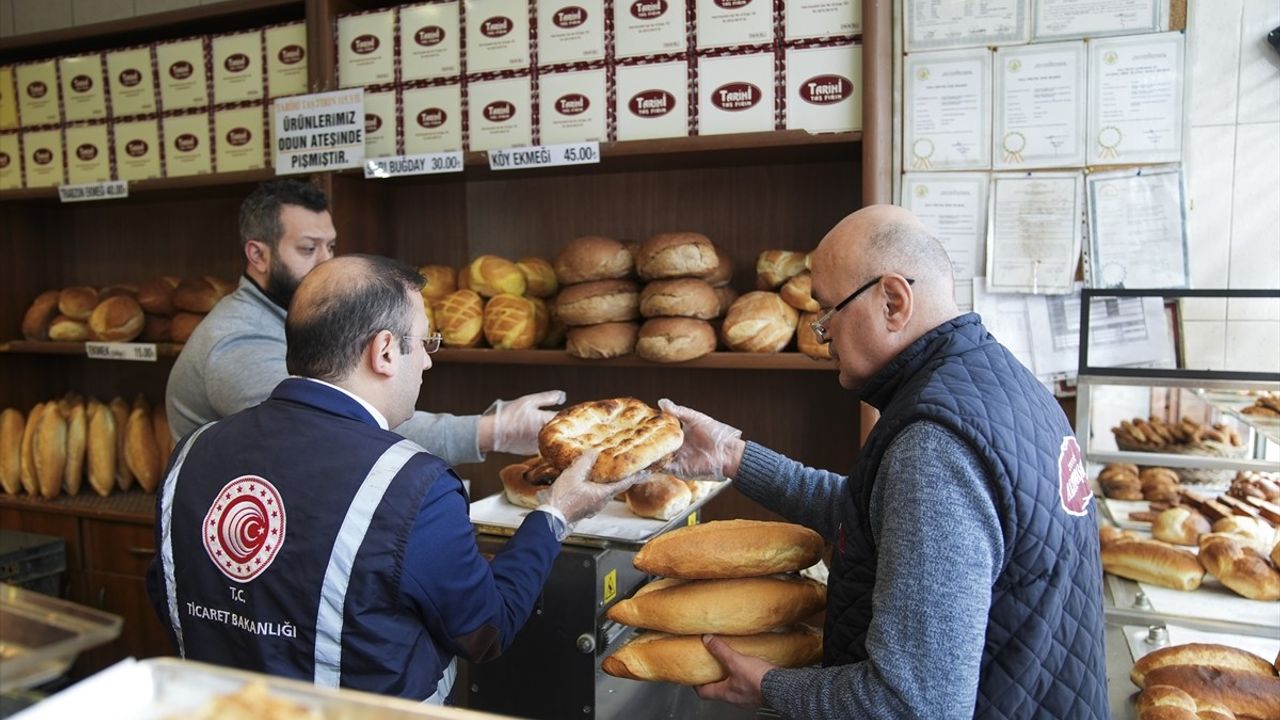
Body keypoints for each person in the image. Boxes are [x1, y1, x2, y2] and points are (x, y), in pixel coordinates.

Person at [660, 205, 1108, 718]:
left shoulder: (935, 445)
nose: (821, 337)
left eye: (828, 313)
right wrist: (730, 455)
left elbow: (914, 705)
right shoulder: (1002, 382)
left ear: (892, 301)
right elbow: (885, 515)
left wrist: (770, 687)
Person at [146, 255, 642, 702]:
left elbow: (169, 588)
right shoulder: (412, 484)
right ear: (384, 351)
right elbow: (486, 629)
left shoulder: (192, 451)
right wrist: (556, 513)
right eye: (424, 342)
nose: (427, 360)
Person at [165, 179, 554, 464]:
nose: (326, 262)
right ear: (258, 255)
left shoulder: (299, 319)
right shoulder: (236, 342)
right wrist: (492, 431)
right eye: (307, 248)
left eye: (330, 246)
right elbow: (336, 429)